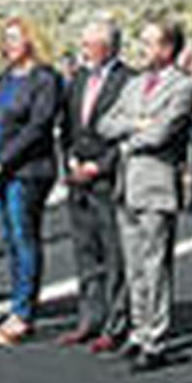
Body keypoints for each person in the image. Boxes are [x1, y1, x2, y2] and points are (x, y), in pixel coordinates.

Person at [97, 20, 192, 373]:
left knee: (155, 265)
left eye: (150, 43)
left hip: (156, 185)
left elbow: (162, 133)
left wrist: (132, 133)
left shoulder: (183, 87)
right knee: (134, 265)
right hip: (128, 185)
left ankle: (156, 337)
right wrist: (136, 124)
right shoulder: (134, 83)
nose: (143, 50)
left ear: (168, 49)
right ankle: (139, 331)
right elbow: (105, 122)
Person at [0, 17, 62, 346]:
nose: (9, 44)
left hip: (27, 171)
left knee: (24, 236)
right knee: (10, 240)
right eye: (6, 38)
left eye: (15, 37)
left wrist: (3, 160)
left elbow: (38, 127)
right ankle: (17, 301)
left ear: (31, 40)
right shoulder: (3, 79)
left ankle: (24, 313)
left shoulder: (45, 79)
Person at [56, 19, 135, 350]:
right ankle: (90, 318)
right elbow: (68, 127)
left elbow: (129, 133)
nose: (84, 50)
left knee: (114, 253)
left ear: (108, 46)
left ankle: (117, 324)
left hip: (108, 179)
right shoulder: (78, 79)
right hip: (78, 179)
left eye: (90, 44)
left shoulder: (128, 81)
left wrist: (99, 166)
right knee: (86, 252)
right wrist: (71, 161)